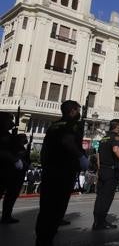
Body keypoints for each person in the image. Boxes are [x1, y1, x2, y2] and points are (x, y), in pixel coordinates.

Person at [35, 100, 89, 246]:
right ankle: (47, 238)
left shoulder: (54, 125)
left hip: (50, 170)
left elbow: (45, 149)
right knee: (58, 207)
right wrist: (80, 156)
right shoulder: (72, 125)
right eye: (78, 110)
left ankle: (42, 237)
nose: (79, 113)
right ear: (72, 111)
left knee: (46, 207)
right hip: (63, 170)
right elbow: (68, 141)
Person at [92, 119, 119, 230]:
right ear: (117, 126)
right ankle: (101, 222)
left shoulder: (103, 138)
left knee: (100, 197)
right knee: (107, 197)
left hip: (102, 170)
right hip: (111, 171)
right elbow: (116, 149)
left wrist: (99, 169)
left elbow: (98, 154)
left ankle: (97, 221)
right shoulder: (116, 137)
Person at [0, 112, 26, 224]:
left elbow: (17, 150)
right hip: (2, 169)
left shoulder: (9, 135)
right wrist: (14, 159)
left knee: (11, 195)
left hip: (9, 172)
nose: (12, 123)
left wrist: (19, 141)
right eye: (9, 120)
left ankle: (6, 216)